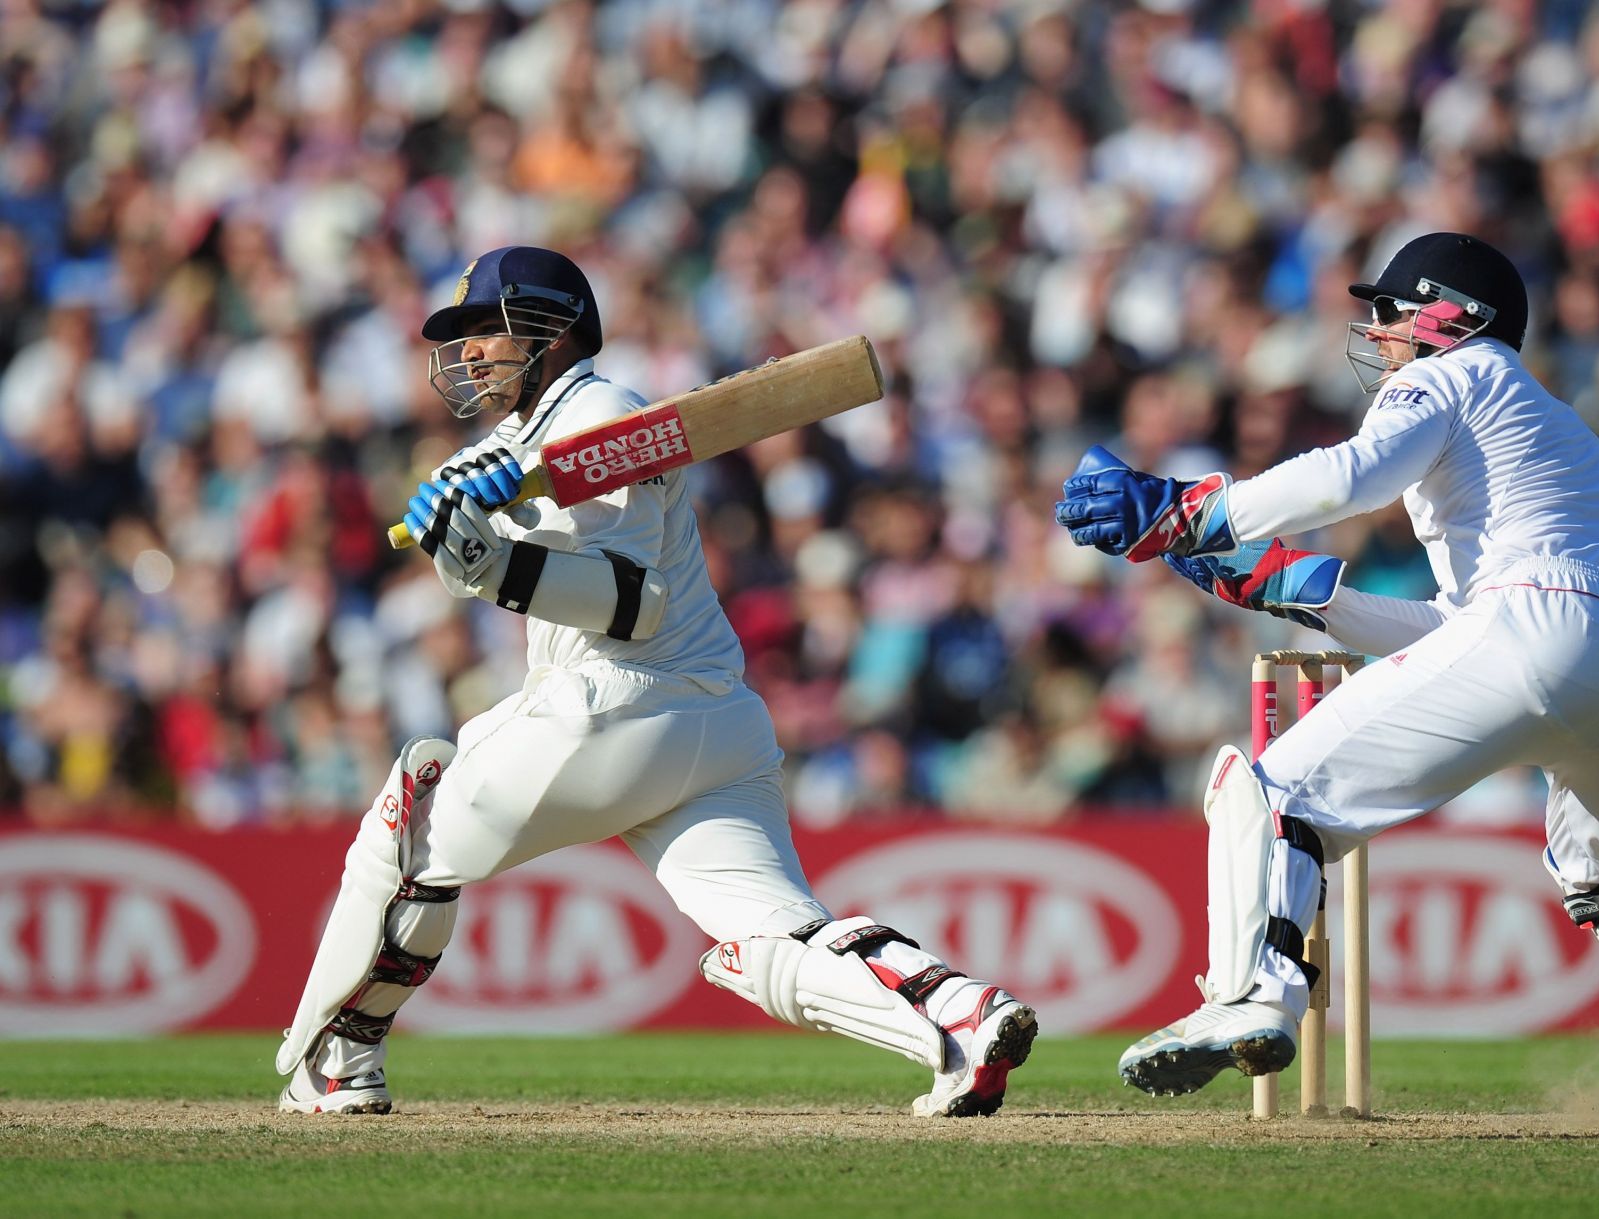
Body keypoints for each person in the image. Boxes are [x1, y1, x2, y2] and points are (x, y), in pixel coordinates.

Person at [276, 246, 1036, 1117]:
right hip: (712, 725)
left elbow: (629, 604)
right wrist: (466, 526)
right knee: (769, 937)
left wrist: (491, 564)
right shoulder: (515, 441)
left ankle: (337, 1057)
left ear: (553, 331)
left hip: (615, 701)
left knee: (411, 827)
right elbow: (481, 548)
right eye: (465, 334)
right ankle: (960, 1017)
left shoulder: (601, 415)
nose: (474, 349)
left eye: (490, 327)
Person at [1053, 232, 1599, 1135]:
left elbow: (1354, 479)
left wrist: (1188, 512)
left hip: (1541, 630)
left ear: (1452, 317)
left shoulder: (1452, 375)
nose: (1378, 329)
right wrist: (1297, 590)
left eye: (1392, 309)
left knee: (1273, 792)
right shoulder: (1548, 419)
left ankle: (1249, 996)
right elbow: (1473, 629)